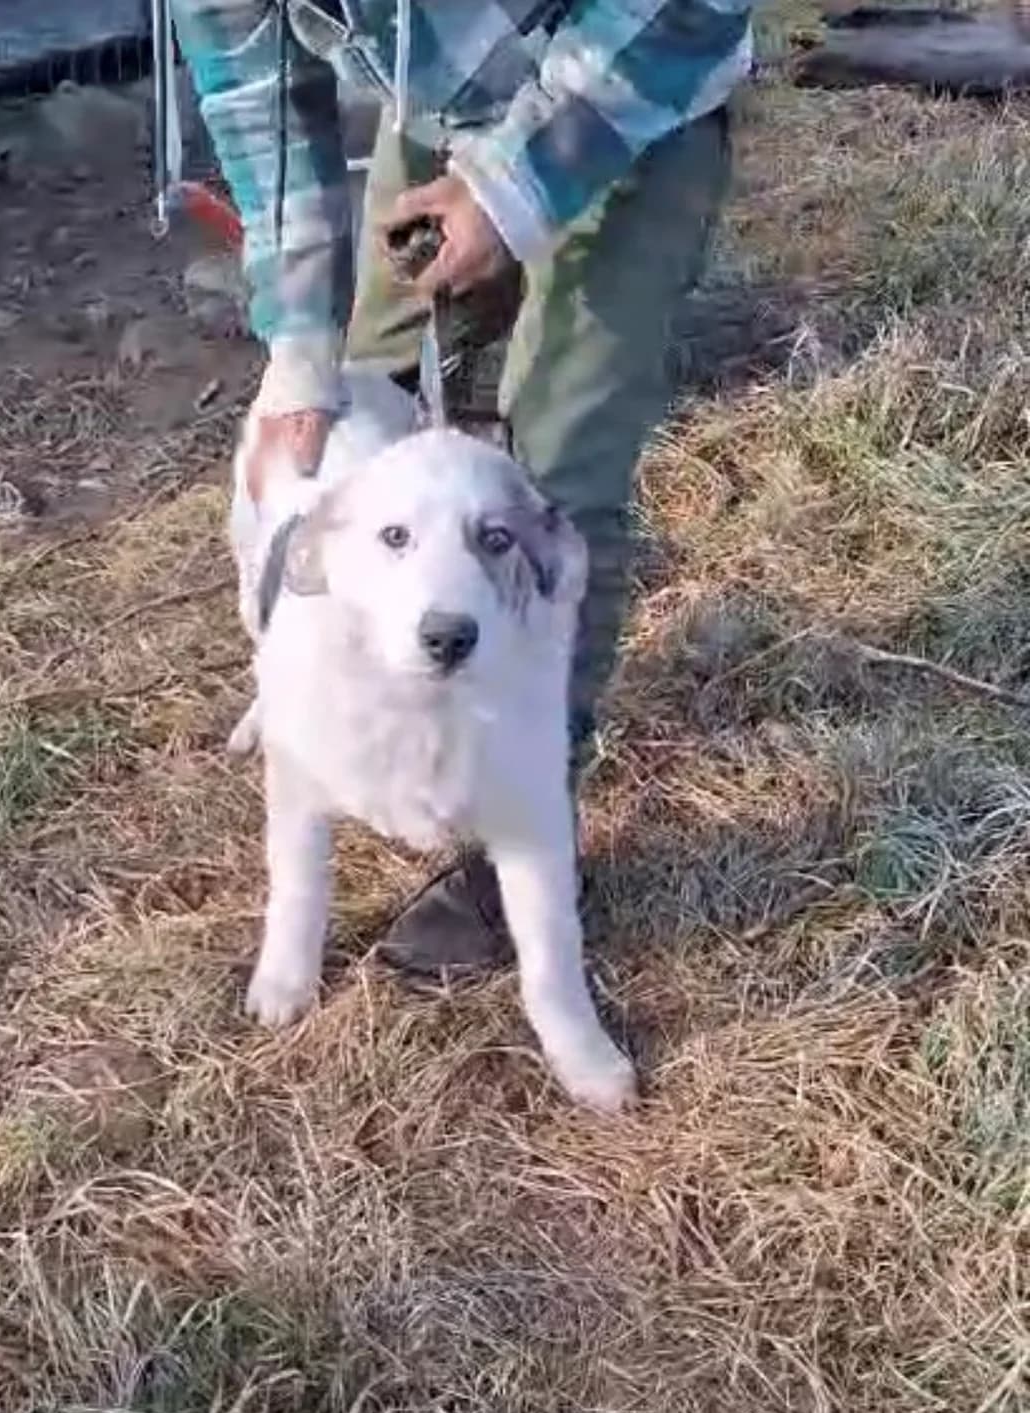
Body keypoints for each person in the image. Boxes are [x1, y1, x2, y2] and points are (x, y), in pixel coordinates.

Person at [172, 0, 752, 972]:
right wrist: (302, 351)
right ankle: (389, 708)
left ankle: (515, 822)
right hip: (445, 92)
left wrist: (511, 193)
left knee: (553, 480)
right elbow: (257, 98)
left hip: (635, 82)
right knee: (369, 401)